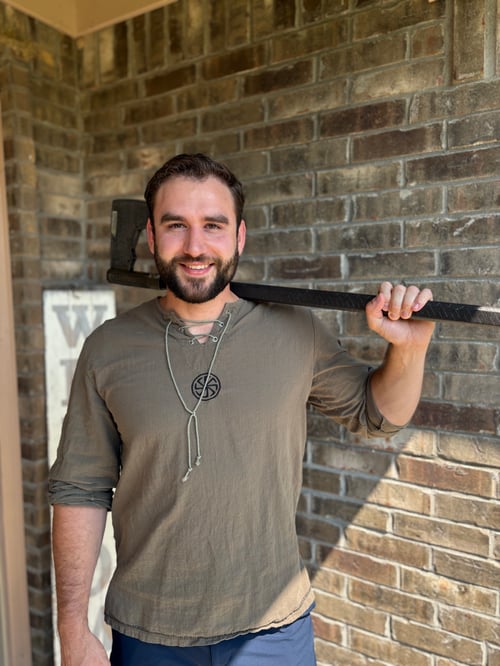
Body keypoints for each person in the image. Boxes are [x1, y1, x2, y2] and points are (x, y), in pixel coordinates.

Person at [49, 153, 435, 666]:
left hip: (272, 631)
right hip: (149, 634)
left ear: (239, 236)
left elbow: (378, 414)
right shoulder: (108, 348)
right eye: (176, 225)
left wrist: (408, 350)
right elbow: (79, 490)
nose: (195, 246)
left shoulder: (294, 332)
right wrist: (73, 628)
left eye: (213, 225)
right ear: (151, 236)